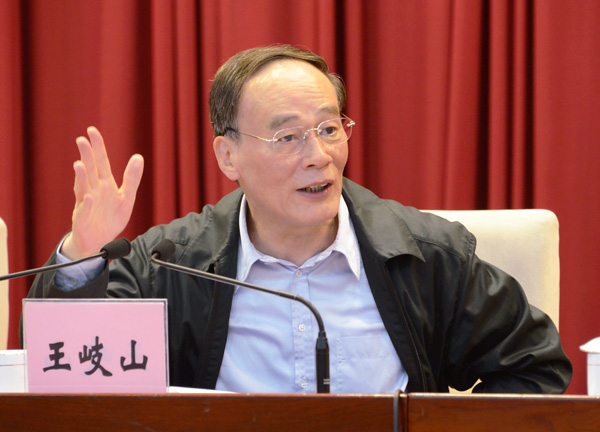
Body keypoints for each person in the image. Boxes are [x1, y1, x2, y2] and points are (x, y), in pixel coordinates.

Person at [27, 45, 572, 394]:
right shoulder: (172, 265)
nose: (319, 156)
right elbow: (69, 376)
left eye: (330, 129)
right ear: (228, 157)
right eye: (288, 137)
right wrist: (82, 254)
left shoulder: (427, 256)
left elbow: (535, 366)